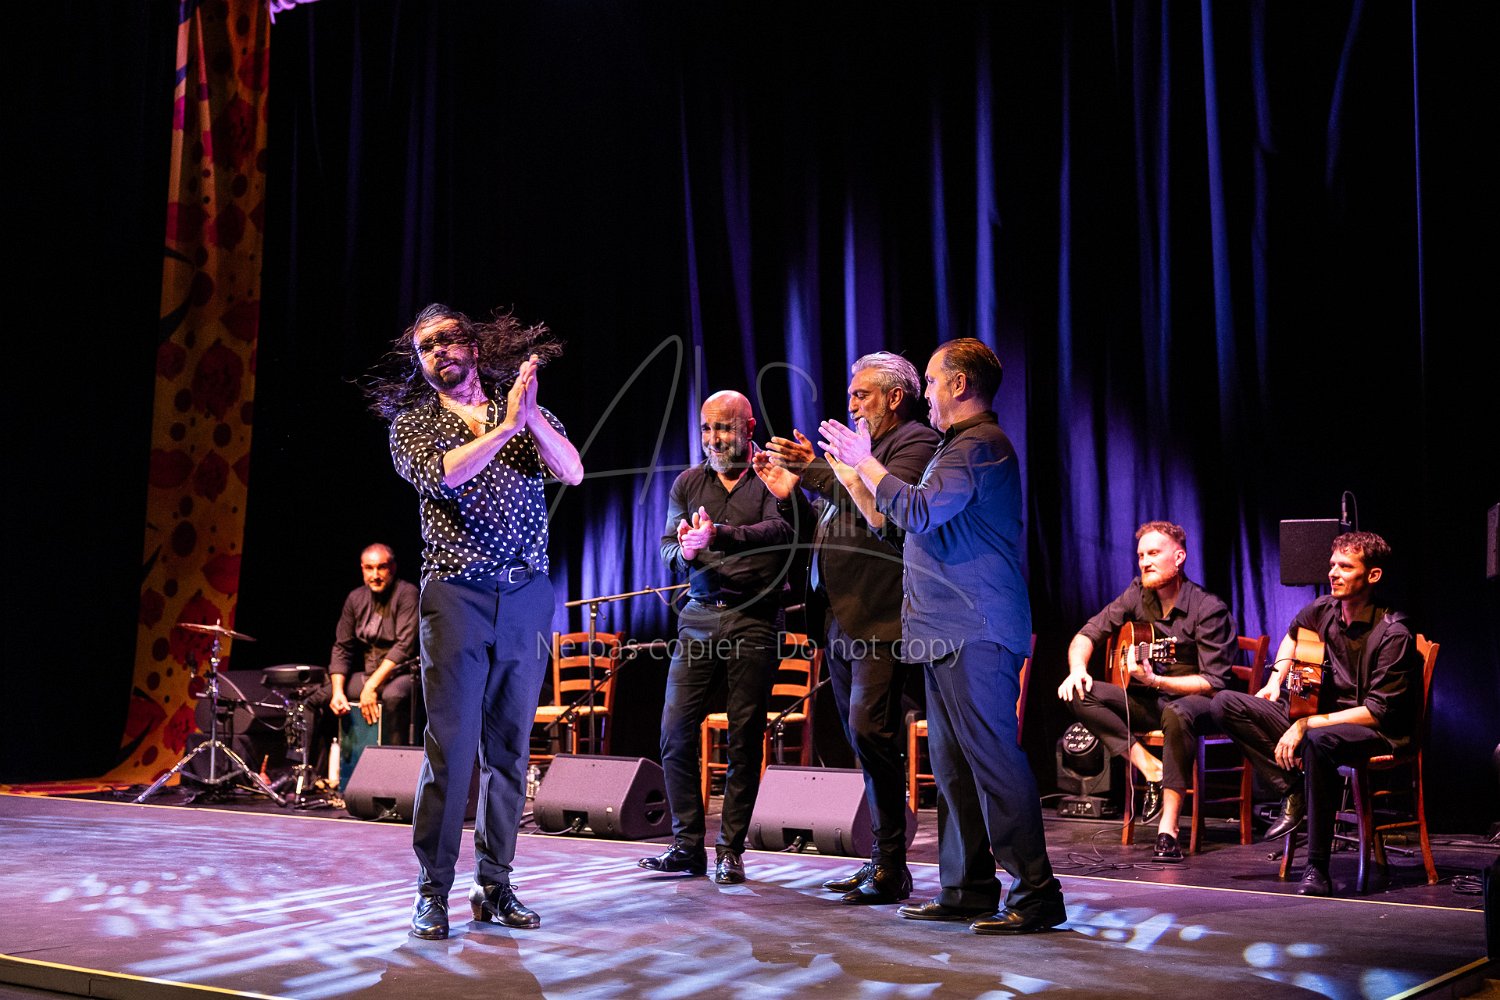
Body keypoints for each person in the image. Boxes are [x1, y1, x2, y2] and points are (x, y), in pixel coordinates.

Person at [819, 338, 1066, 935]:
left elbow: (920, 511)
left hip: (975, 629)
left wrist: (867, 463)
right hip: (941, 631)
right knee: (952, 768)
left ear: (958, 385)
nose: (926, 393)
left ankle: (1037, 892)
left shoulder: (981, 446)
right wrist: (853, 474)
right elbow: (894, 522)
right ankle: (966, 889)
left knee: (992, 763)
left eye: (931, 381)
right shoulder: (956, 448)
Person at [368, 302, 583, 939]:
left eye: (449, 339)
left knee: (510, 749)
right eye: (426, 347)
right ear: (420, 363)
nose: (439, 351)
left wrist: (528, 419)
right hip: (456, 596)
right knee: (452, 748)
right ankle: (432, 889)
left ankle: (495, 883)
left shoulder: (525, 412)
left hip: (525, 595)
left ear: (474, 347)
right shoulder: (415, 424)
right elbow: (445, 476)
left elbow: (572, 470)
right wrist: (506, 426)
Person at [754, 352, 940, 904]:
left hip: (879, 616)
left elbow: (886, 510)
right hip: (838, 615)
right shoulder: (859, 452)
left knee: (870, 731)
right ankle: (883, 860)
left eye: (863, 394)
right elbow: (834, 518)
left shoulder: (914, 442)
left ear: (895, 397)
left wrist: (817, 471)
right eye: (852, 394)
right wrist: (794, 490)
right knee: (862, 738)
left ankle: (892, 863)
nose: (853, 404)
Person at [637, 390, 795, 885]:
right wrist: (686, 550)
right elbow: (667, 548)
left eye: (724, 428)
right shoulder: (688, 482)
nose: (713, 438)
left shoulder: (769, 475)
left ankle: (730, 849)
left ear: (748, 428)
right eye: (706, 428)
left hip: (754, 618)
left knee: (744, 735)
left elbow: (782, 531)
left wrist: (719, 534)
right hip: (699, 616)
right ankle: (687, 845)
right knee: (675, 731)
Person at [1210, 531, 1422, 896]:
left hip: (1375, 731)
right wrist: (1275, 680)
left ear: (1373, 575)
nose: (1333, 573)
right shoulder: (1323, 609)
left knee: (1318, 740)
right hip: (1320, 719)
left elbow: (1376, 712)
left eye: (1346, 567)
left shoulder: (1394, 633)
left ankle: (1317, 867)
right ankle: (1293, 788)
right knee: (1224, 703)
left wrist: (1305, 724)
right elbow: (1293, 635)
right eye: (1332, 565)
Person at [1054, 522, 1237, 863]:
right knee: (1078, 692)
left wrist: (1156, 682)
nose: (1145, 562)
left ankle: (1168, 830)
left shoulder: (1208, 608)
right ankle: (1149, 765)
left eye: (1154, 553)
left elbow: (1214, 682)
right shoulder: (1137, 593)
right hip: (1153, 701)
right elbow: (1086, 634)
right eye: (1141, 555)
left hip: (1199, 706)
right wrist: (1078, 669)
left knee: (1177, 713)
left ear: (1178, 558)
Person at [309, 543, 419, 756]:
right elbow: (342, 647)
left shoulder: (407, 593)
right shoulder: (355, 598)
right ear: (362, 568)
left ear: (393, 568)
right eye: (369, 568)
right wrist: (338, 692)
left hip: (403, 674)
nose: (375, 575)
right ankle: (310, 769)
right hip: (370, 675)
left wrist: (371, 686)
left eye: (381, 567)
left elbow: (404, 646)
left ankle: (394, 765)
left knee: (394, 696)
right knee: (315, 699)